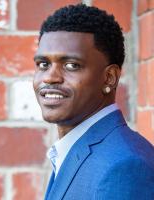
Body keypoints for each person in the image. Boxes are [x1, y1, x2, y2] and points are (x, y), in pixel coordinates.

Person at [33, 4, 154, 200]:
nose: (49, 78)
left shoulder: (125, 166)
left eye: (71, 65)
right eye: (43, 64)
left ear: (109, 78)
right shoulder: (74, 149)